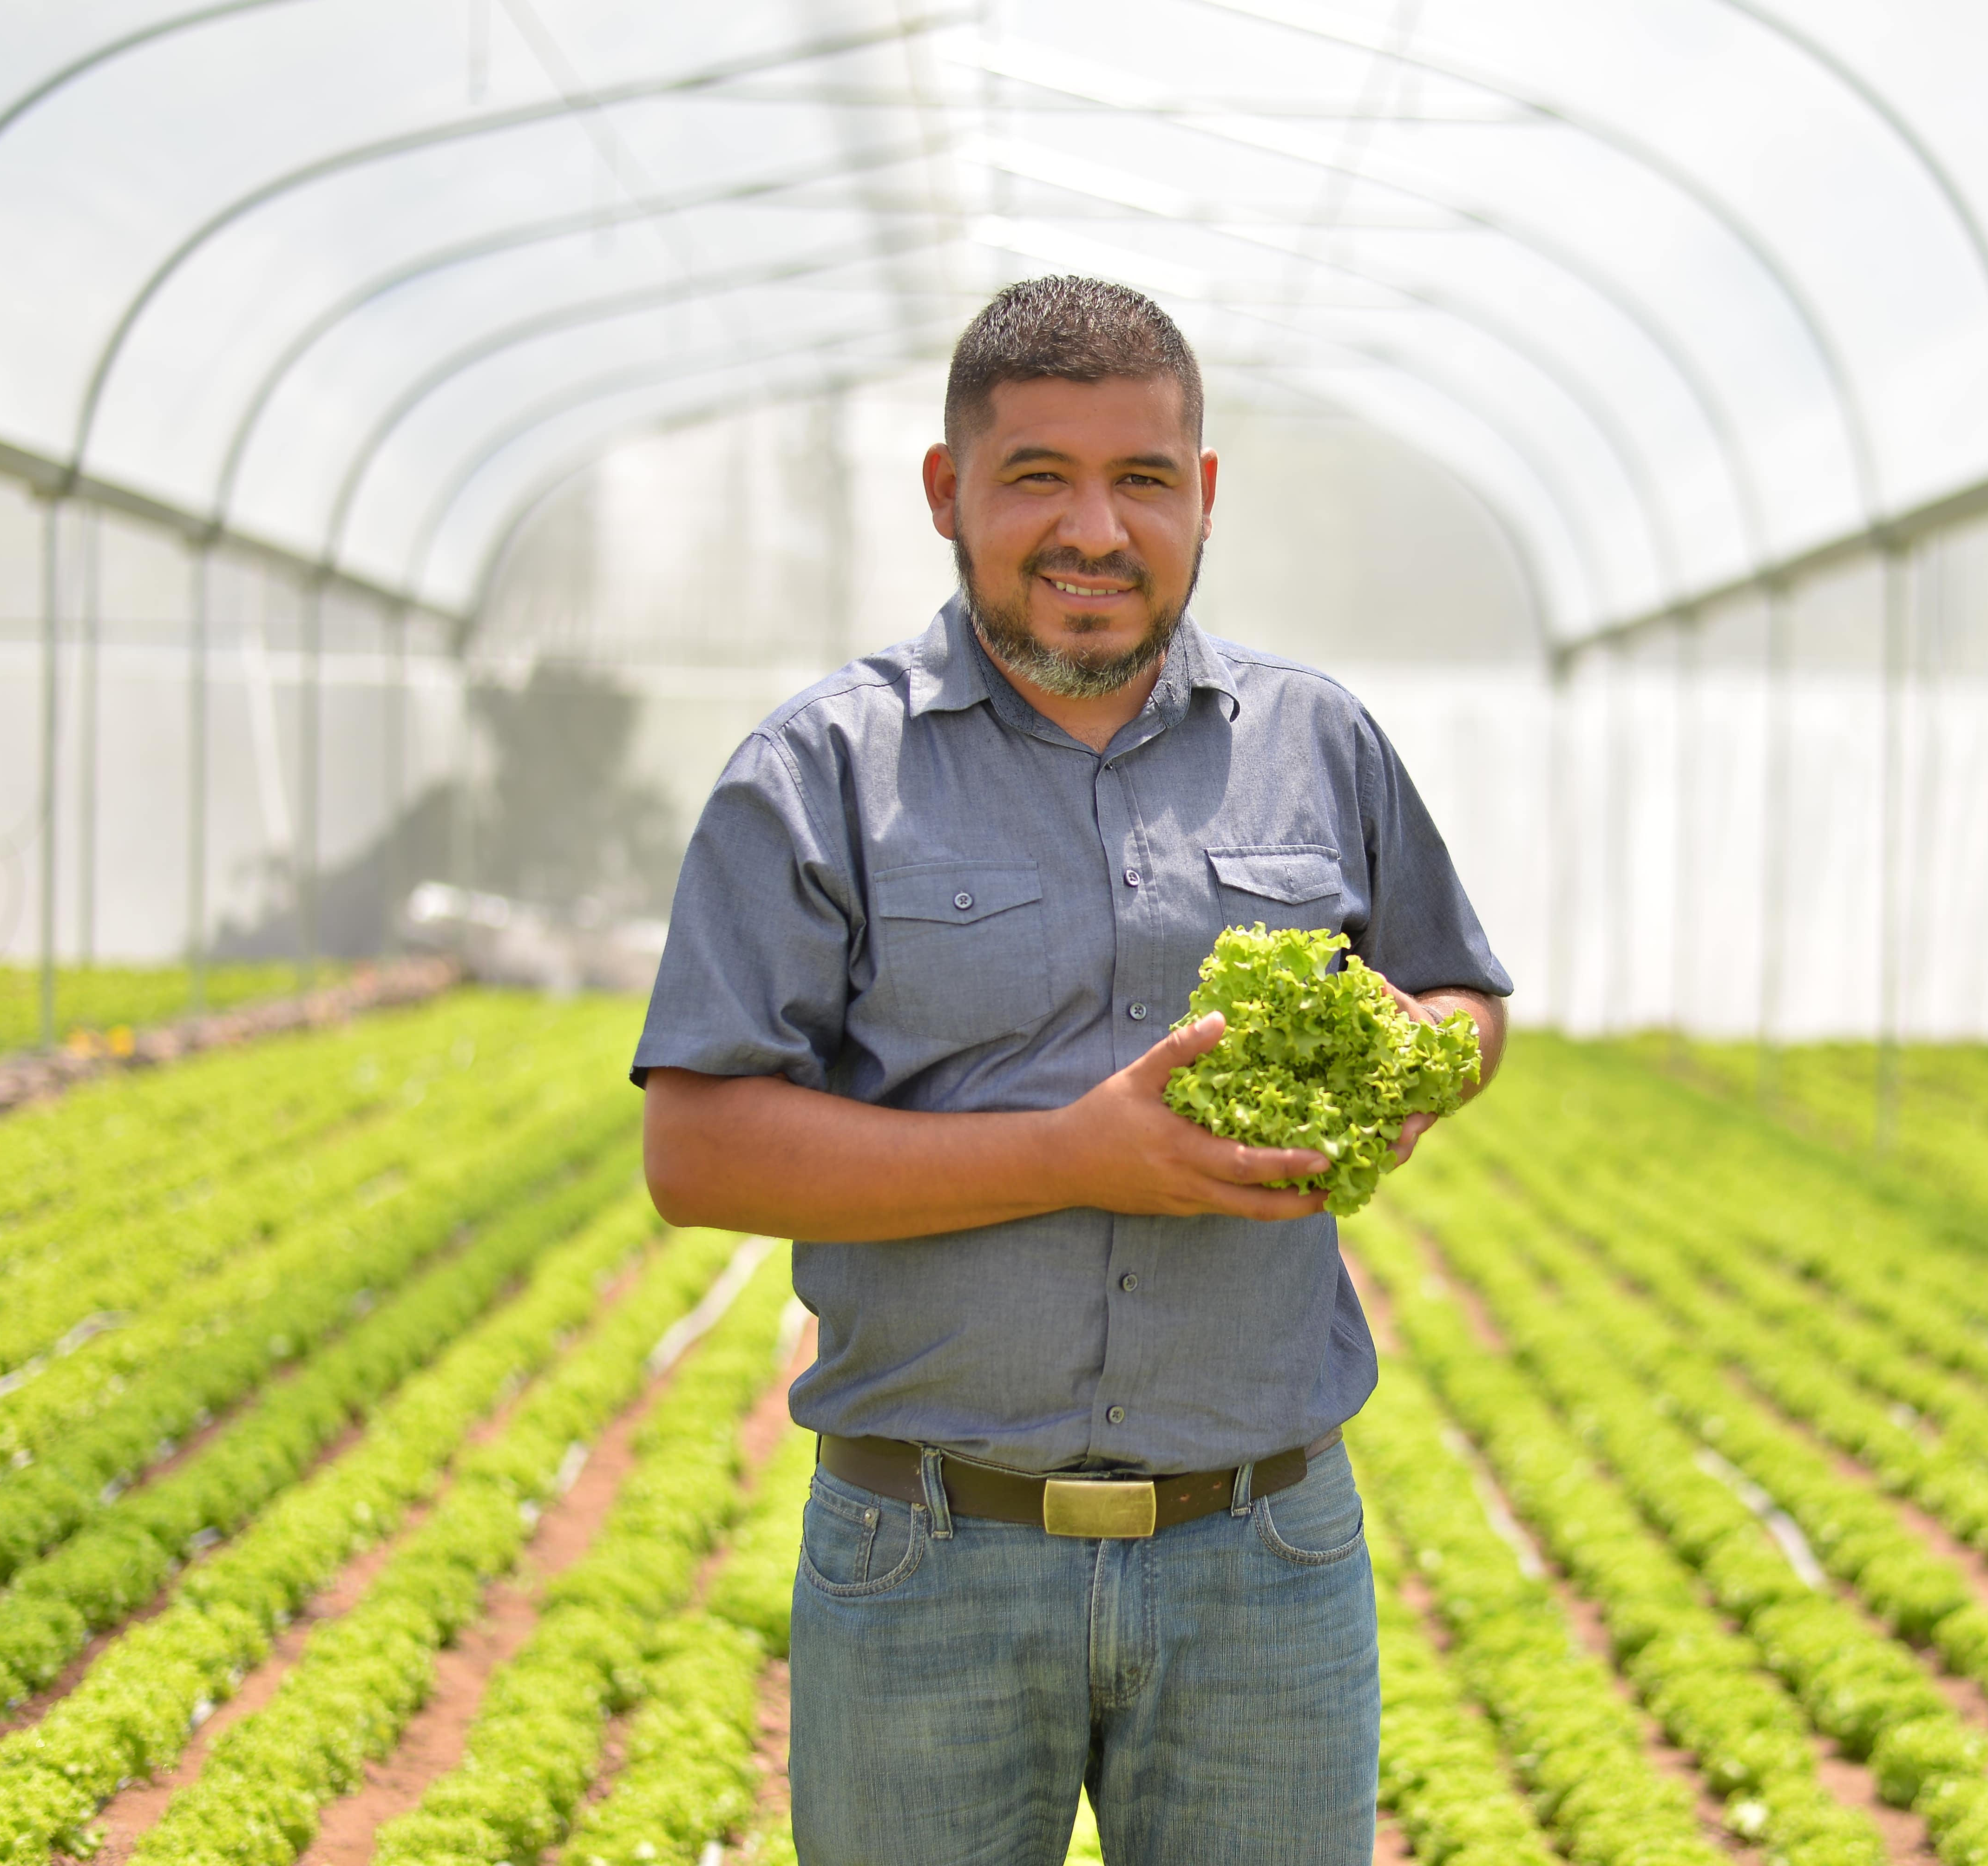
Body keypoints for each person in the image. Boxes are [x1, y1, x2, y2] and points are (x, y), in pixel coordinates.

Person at [632, 274, 1511, 1866]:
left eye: (1143, 479)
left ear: (1206, 496)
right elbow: (700, 1150)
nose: (1093, 531)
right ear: (947, 491)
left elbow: (1458, 988)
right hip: (930, 1556)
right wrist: (1071, 1155)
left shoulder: (1317, 743)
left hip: (1263, 1556)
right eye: (1038, 475)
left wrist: (1414, 1061)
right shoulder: (821, 772)